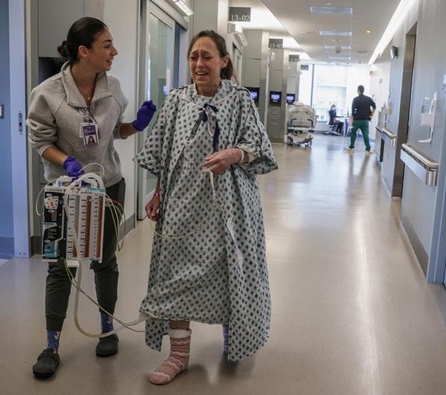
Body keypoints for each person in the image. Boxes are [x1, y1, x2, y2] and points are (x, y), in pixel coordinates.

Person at [135, 30, 278, 385]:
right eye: (193, 57)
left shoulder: (240, 100)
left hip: (230, 207)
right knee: (175, 277)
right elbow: (164, 154)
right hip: (182, 206)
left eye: (207, 57)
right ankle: (178, 355)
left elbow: (260, 148)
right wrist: (157, 193)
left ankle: (237, 340)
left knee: (232, 273)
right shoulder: (178, 101)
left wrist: (235, 154)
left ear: (223, 61)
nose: (199, 64)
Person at [27, 16, 157, 379]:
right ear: (84, 51)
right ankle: (51, 344)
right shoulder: (48, 93)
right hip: (62, 190)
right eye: (107, 45)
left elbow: (117, 131)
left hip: (108, 187)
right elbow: (40, 142)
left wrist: (138, 125)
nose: (114, 52)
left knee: (104, 262)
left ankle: (107, 327)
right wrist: (65, 161)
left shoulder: (112, 87)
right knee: (60, 267)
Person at [348, 85, 376, 154]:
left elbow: (352, 110)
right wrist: (371, 114)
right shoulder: (368, 99)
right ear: (363, 90)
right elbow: (374, 106)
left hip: (356, 120)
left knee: (353, 133)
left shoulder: (355, 99)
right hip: (365, 121)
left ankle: (351, 147)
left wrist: (352, 120)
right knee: (365, 134)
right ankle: (368, 149)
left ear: (358, 91)